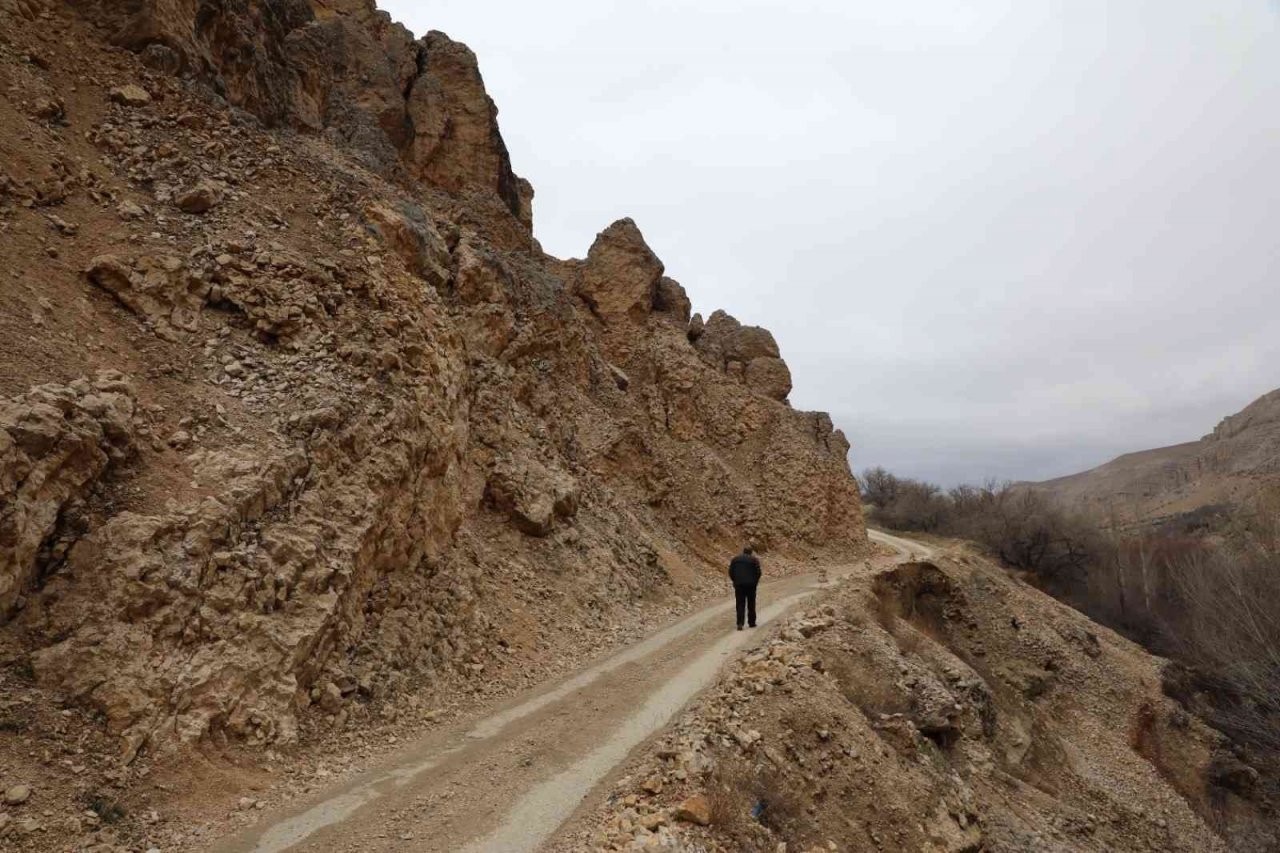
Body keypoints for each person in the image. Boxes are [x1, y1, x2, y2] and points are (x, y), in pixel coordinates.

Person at [728, 545, 762, 630]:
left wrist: (735, 581)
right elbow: (758, 573)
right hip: (751, 585)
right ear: (751, 552)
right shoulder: (754, 560)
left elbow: (731, 572)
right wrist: (755, 582)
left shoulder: (735, 559)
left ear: (743, 551)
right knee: (751, 603)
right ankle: (752, 622)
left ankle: (740, 623)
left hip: (739, 585)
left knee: (740, 604)